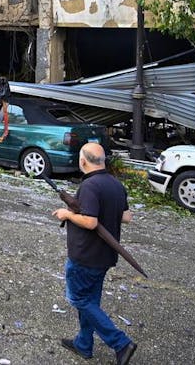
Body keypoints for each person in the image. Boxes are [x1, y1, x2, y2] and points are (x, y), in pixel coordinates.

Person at [54, 142, 137, 365]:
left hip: (85, 255)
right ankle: (84, 344)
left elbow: (90, 222)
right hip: (104, 256)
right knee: (90, 302)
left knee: (78, 298)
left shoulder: (90, 186)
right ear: (102, 161)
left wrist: (67, 214)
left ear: (83, 161)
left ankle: (121, 343)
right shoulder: (115, 184)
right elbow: (127, 216)